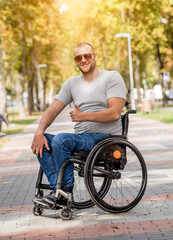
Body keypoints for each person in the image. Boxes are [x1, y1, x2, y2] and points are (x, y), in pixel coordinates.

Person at [31, 42, 127, 206]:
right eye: (78, 57)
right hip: (83, 138)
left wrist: (84, 116)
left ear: (95, 56)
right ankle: (59, 192)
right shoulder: (71, 83)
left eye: (87, 55)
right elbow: (53, 110)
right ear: (75, 61)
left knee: (61, 140)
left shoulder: (111, 77)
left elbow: (115, 113)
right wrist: (39, 131)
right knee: (43, 141)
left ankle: (64, 193)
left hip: (106, 138)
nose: (83, 60)